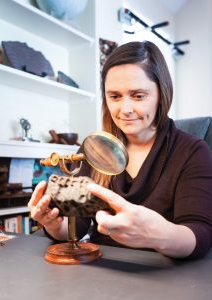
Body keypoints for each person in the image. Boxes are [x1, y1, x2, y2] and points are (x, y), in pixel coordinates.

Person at [28, 41, 212, 259]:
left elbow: (201, 235)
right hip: (101, 269)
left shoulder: (193, 151)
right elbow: (76, 226)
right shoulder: (92, 149)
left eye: (138, 96)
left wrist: (158, 235)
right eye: (114, 96)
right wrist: (53, 223)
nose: (125, 110)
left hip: (163, 274)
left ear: (161, 94)